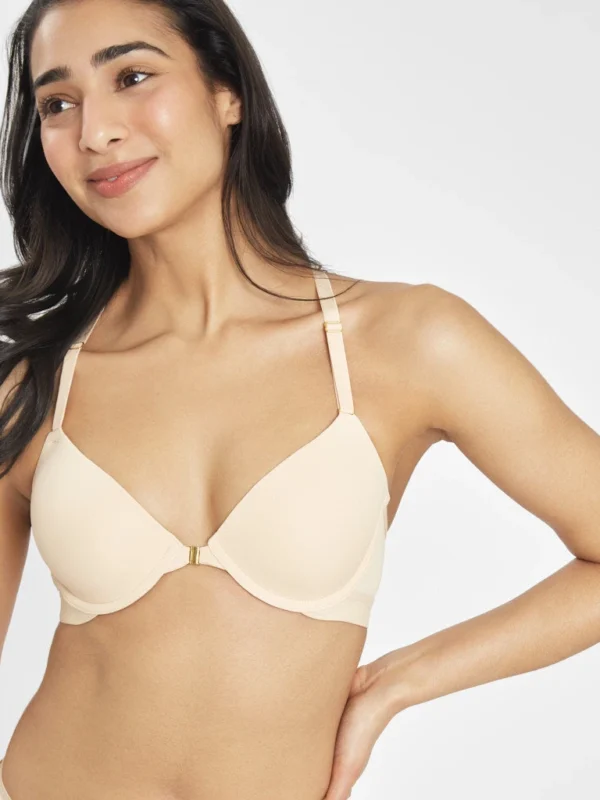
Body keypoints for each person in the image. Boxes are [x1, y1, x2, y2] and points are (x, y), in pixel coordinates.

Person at [1, 1, 599, 798]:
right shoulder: (32, 383)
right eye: (57, 102)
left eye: (133, 76)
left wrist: (398, 682)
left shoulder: (406, 340)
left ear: (227, 92)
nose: (95, 131)